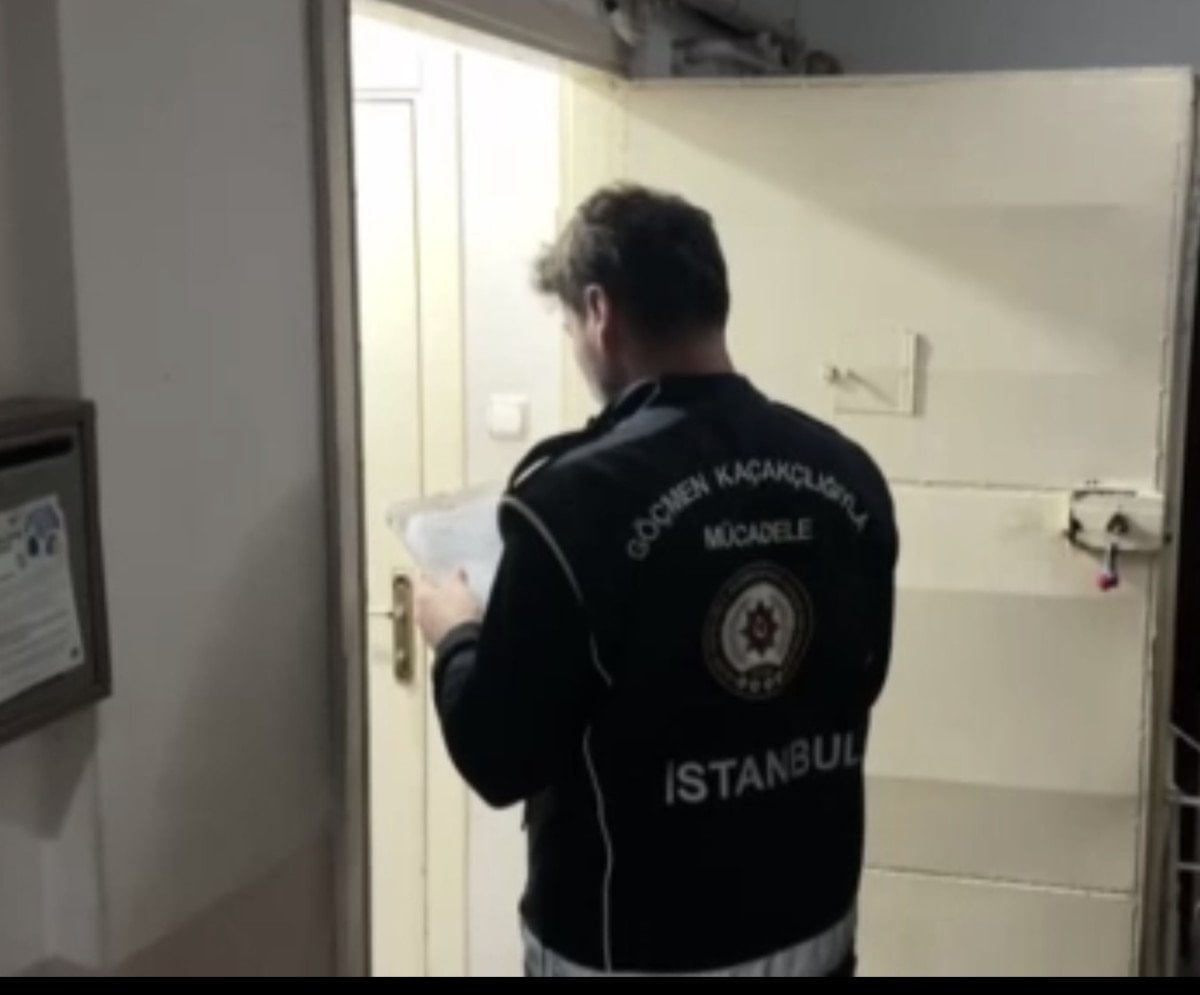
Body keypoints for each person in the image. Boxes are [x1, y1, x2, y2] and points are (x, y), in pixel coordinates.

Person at [414, 184, 898, 977]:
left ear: (598, 312)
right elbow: (859, 679)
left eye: (570, 326)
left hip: (631, 951)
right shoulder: (847, 474)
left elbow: (499, 758)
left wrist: (457, 632)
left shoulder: (569, 501)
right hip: (814, 939)